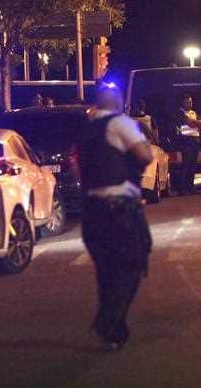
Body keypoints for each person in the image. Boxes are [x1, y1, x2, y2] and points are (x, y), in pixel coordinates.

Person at [79, 86, 154, 351]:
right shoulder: (120, 123)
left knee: (107, 272)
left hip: (91, 210)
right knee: (133, 263)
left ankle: (115, 332)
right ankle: (107, 322)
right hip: (119, 210)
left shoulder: (87, 129)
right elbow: (146, 155)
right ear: (119, 103)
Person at [175, 94, 201, 195]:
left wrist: (196, 122)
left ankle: (191, 188)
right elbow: (189, 123)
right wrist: (196, 123)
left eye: (191, 102)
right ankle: (183, 189)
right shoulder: (180, 112)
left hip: (195, 141)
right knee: (186, 165)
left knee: (193, 165)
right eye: (188, 102)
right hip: (186, 141)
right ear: (183, 102)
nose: (190, 103)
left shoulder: (193, 112)